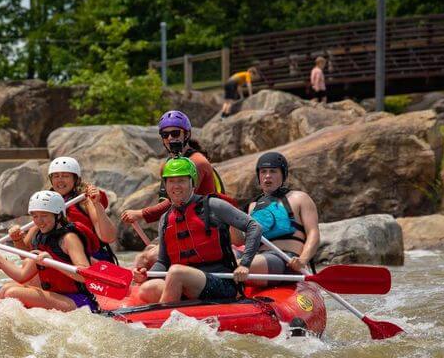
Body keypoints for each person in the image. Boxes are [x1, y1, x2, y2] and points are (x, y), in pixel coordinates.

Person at [133, 157, 262, 304]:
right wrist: (146, 275)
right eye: (171, 181)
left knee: (176, 272)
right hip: (185, 281)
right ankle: (179, 309)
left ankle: (163, 322)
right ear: (165, 185)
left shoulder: (213, 205)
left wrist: (245, 264)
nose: (175, 186)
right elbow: (163, 261)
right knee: (148, 288)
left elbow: (254, 227)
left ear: (192, 183)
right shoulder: (165, 218)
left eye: (181, 181)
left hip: (220, 282)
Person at [120, 110, 231, 269]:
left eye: (175, 133)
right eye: (165, 135)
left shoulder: (198, 163)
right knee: (142, 260)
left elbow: (178, 202)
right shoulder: (167, 166)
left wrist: (140, 213)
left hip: (203, 228)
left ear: (186, 134)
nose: (170, 138)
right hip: (182, 224)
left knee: (145, 259)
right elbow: (167, 202)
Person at [0, 190, 100, 312]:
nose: (39, 221)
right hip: (57, 296)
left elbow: (85, 275)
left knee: (13, 293)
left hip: (79, 301)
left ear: (58, 215)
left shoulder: (69, 238)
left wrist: (52, 262)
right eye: (35, 216)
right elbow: (22, 276)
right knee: (7, 287)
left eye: (44, 215)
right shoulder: (42, 238)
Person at [8, 156, 119, 264]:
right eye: (56, 176)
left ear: (76, 179)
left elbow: (108, 237)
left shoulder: (85, 200)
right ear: (51, 180)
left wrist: (97, 204)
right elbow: (25, 255)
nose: (60, 180)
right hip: (63, 258)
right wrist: (17, 239)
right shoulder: (47, 203)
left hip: (93, 259)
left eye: (65, 176)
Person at [242, 152, 320, 280]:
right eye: (263, 172)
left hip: (287, 261)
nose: (267, 176)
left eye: (273, 171)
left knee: (237, 264)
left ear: (283, 174)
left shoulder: (299, 198)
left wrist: (303, 260)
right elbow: (239, 241)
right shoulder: (251, 207)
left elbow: (313, 233)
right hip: (258, 259)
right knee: (228, 258)